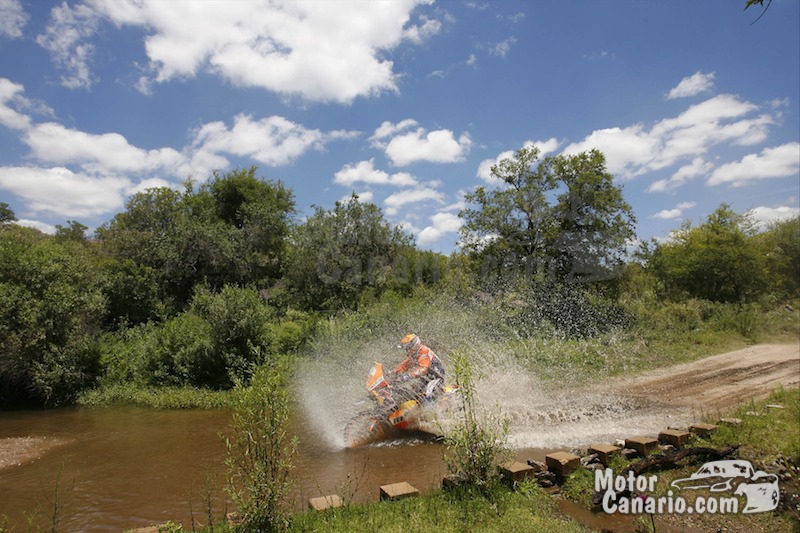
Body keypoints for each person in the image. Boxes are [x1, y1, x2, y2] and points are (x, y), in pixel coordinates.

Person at [391, 333, 445, 401]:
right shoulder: (415, 353)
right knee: (415, 393)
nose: (406, 350)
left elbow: (423, 369)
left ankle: (429, 410)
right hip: (426, 377)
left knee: (428, 392)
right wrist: (393, 372)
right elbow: (405, 365)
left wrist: (408, 376)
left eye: (407, 347)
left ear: (413, 345)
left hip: (437, 376)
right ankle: (415, 409)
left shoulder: (424, 351)